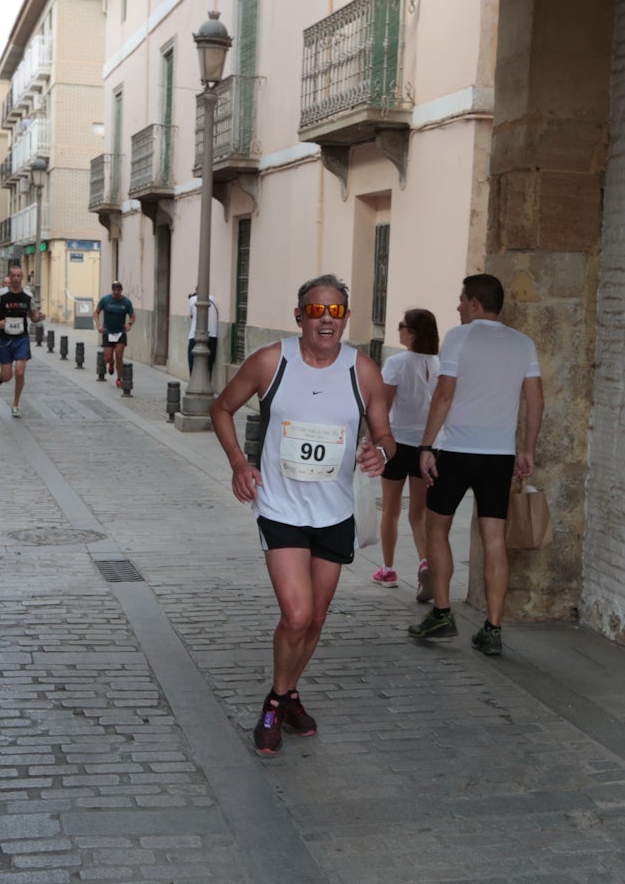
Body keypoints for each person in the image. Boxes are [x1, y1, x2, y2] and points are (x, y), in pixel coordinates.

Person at [210, 274, 394, 756]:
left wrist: (380, 453)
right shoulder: (272, 362)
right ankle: (275, 701)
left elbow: (386, 435)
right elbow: (221, 408)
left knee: (315, 620)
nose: (326, 320)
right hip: (281, 506)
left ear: (346, 319)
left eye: (336, 312)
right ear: (300, 317)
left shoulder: (364, 370)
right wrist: (238, 463)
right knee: (296, 614)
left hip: (335, 512)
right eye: (317, 311)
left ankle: (290, 695)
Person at [408, 273, 543, 656]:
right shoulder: (523, 343)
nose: (457, 306)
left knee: (437, 528)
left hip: (456, 450)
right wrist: (527, 450)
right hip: (499, 455)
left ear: (474, 303)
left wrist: (426, 444)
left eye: (461, 299)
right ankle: (493, 629)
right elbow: (536, 402)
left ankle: (442, 612)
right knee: (495, 540)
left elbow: (445, 395)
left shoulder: (459, 337)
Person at [372, 308, 441, 601]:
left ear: (411, 332)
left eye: (401, 326)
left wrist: (370, 441)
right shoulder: (441, 364)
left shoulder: (397, 363)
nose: (398, 330)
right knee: (419, 514)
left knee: (390, 510)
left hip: (397, 444)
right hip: (429, 447)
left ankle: (387, 570)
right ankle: (425, 563)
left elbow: (383, 407)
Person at [0, 265, 43, 416]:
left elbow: (33, 317)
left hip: (21, 338)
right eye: (13, 276)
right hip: (4, 339)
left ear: (22, 278)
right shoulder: (0, 294)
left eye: (19, 276)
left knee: (20, 371)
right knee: (7, 376)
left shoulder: (28, 296)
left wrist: (39, 317)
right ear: (9, 277)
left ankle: (15, 404)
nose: (16, 279)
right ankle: (1, 376)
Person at [95, 282, 136, 386]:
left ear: (121, 290)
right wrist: (99, 326)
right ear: (112, 290)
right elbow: (96, 313)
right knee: (107, 357)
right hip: (108, 331)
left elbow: (132, 316)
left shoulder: (126, 302)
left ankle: (119, 378)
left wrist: (129, 324)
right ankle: (111, 363)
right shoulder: (105, 300)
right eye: (115, 289)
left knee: (119, 356)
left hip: (120, 332)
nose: (116, 291)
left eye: (118, 289)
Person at [185, 289, 219, 379]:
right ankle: (207, 381)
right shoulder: (213, 299)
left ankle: (193, 381)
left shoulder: (192, 300)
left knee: (192, 362)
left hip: (195, 335)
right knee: (209, 364)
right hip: (213, 335)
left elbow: (191, 316)